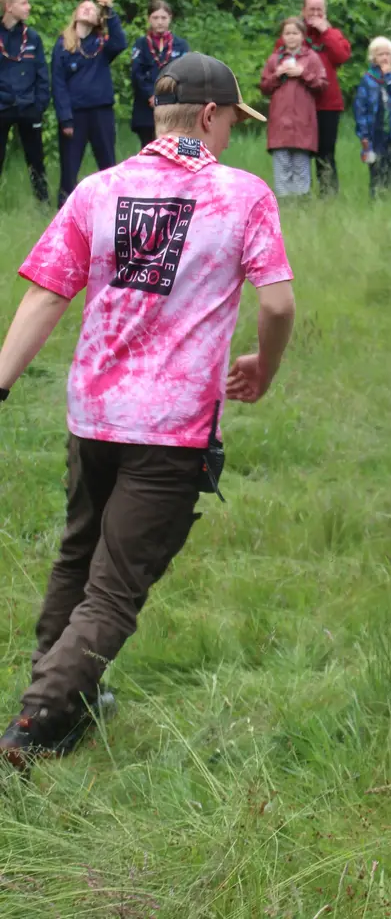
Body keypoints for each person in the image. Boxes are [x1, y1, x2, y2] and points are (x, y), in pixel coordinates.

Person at [0, 52, 296, 768]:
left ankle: (65, 702)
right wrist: (265, 362)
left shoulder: (98, 190)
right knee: (115, 588)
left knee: (79, 556)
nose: (232, 138)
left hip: (93, 415)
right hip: (171, 429)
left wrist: (1, 382)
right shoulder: (242, 194)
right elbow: (279, 300)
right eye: (231, 124)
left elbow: (45, 293)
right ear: (209, 117)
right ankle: (36, 724)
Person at [52, 0, 128, 207]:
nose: (88, 10)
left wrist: (110, 12)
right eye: (83, 7)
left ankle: (113, 205)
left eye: (93, 9)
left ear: (97, 19)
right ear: (75, 14)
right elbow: (58, 84)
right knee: (70, 165)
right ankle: (64, 209)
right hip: (75, 115)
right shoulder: (62, 45)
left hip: (101, 112)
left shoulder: (102, 45)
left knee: (107, 163)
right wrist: (65, 118)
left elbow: (120, 42)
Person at [259, 17, 327, 197]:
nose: (291, 37)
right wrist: (277, 74)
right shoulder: (274, 59)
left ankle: (301, 200)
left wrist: (303, 73)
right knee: (282, 164)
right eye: (287, 33)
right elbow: (264, 87)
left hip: (303, 122)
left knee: (300, 164)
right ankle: (284, 202)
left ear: (303, 35)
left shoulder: (311, 58)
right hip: (280, 122)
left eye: (295, 33)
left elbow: (322, 85)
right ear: (282, 36)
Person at [0, 0, 50, 204]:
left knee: (36, 158)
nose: (28, 7)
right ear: (9, 7)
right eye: (24, 3)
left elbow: (42, 73)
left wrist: (39, 106)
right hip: (2, 107)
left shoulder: (32, 37)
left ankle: (43, 203)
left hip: (29, 107)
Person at [300, 0, 351, 194]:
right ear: (303, 11)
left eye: (319, 10)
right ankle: (300, 195)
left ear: (325, 12)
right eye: (311, 9)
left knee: (326, 152)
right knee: (300, 151)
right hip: (301, 104)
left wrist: (326, 32)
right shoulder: (295, 32)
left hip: (328, 105)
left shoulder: (333, 34)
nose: (315, 13)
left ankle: (328, 194)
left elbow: (341, 56)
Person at [353, 37, 391, 197]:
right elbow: (360, 107)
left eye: (387, 54)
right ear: (373, 57)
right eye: (380, 54)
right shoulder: (368, 78)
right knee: (377, 168)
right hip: (375, 132)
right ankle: (377, 197)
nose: (384, 57)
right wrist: (363, 133)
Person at [130, 0, 190, 148]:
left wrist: (167, 96)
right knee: (150, 149)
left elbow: (185, 73)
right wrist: (151, 95)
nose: (160, 22)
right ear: (149, 19)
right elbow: (137, 73)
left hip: (174, 105)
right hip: (147, 107)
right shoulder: (141, 44)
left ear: (170, 18)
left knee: (176, 147)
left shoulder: (181, 45)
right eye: (155, 18)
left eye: (163, 18)